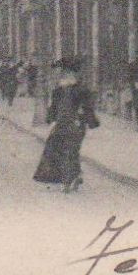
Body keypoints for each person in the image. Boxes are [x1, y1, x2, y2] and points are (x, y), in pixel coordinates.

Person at [34, 57, 99, 191]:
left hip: (75, 124)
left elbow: (87, 108)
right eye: (64, 74)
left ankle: (69, 177)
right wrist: (50, 119)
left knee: (71, 149)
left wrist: (90, 121)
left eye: (68, 74)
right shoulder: (59, 91)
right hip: (63, 124)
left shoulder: (81, 91)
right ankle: (73, 175)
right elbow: (54, 108)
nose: (65, 77)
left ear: (74, 75)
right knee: (60, 149)